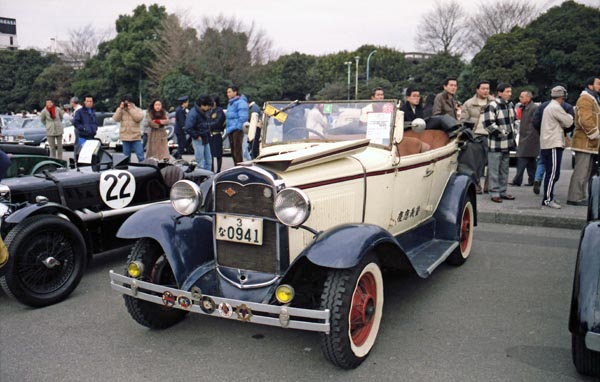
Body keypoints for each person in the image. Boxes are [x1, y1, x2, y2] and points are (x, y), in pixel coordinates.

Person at [539, 86, 574, 209]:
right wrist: (570, 116)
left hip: (548, 143)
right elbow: (568, 122)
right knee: (553, 173)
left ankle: (549, 196)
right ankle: (548, 199)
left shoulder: (549, 107)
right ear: (562, 96)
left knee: (552, 172)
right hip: (553, 144)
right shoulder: (555, 107)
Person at [567, 76, 600, 206]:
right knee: (581, 171)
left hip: (589, 143)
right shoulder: (585, 99)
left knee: (586, 172)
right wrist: (595, 134)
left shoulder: (593, 99)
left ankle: (580, 196)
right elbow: (584, 120)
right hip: (584, 142)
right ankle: (574, 197)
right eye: (598, 84)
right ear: (590, 86)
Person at [483, 83, 517, 203]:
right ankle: (494, 192)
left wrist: (513, 134)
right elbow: (488, 124)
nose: (510, 94)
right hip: (495, 144)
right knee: (494, 169)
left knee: (504, 169)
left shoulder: (510, 105)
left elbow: (514, 122)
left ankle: (503, 191)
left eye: (510, 91)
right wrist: (503, 132)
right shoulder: (492, 106)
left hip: (507, 144)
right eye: (507, 91)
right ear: (500, 93)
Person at [461, 81, 494, 193]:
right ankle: (476, 185)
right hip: (475, 137)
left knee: (492, 162)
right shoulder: (469, 103)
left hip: (491, 136)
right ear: (477, 90)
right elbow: (463, 121)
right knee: (475, 163)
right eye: (483, 88)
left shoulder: (494, 103)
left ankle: (489, 186)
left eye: (487, 89)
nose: (486, 91)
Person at [511, 91, 539, 186]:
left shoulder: (534, 108)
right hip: (526, 137)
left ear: (528, 98)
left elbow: (534, 123)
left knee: (522, 159)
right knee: (531, 161)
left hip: (530, 138)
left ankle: (517, 180)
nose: (520, 98)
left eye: (522, 97)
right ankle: (533, 180)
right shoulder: (524, 108)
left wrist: (528, 136)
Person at [184, 95, 213, 171]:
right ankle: (201, 177)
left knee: (208, 160)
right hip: (198, 139)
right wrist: (196, 136)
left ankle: (208, 176)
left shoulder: (204, 111)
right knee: (200, 161)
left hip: (205, 137)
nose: (209, 108)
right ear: (202, 105)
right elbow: (188, 127)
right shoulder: (193, 113)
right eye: (208, 106)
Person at [113, 94, 144, 162]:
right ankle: (127, 170)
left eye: (128, 102)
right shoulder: (121, 110)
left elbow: (138, 118)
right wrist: (120, 109)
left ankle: (143, 168)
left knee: (140, 156)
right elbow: (115, 119)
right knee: (126, 157)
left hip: (136, 136)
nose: (127, 104)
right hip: (125, 137)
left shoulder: (137, 110)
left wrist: (130, 109)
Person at [226, 85, 249, 165]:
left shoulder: (241, 102)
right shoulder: (230, 103)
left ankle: (239, 167)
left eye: (229, 92)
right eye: (227, 92)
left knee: (237, 151)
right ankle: (236, 166)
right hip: (230, 129)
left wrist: (238, 128)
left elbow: (243, 117)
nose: (227, 94)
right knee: (233, 151)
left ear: (235, 92)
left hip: (236, 129)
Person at [209, 96, 226, 172]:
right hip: (210, 134)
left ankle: (218, 170)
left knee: (218, 154)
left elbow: (218, 122)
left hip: (217, 134)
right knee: (210, 154)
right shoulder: (209, 110)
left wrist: (209, 125)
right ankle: (211, 170)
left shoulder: (219, 111)